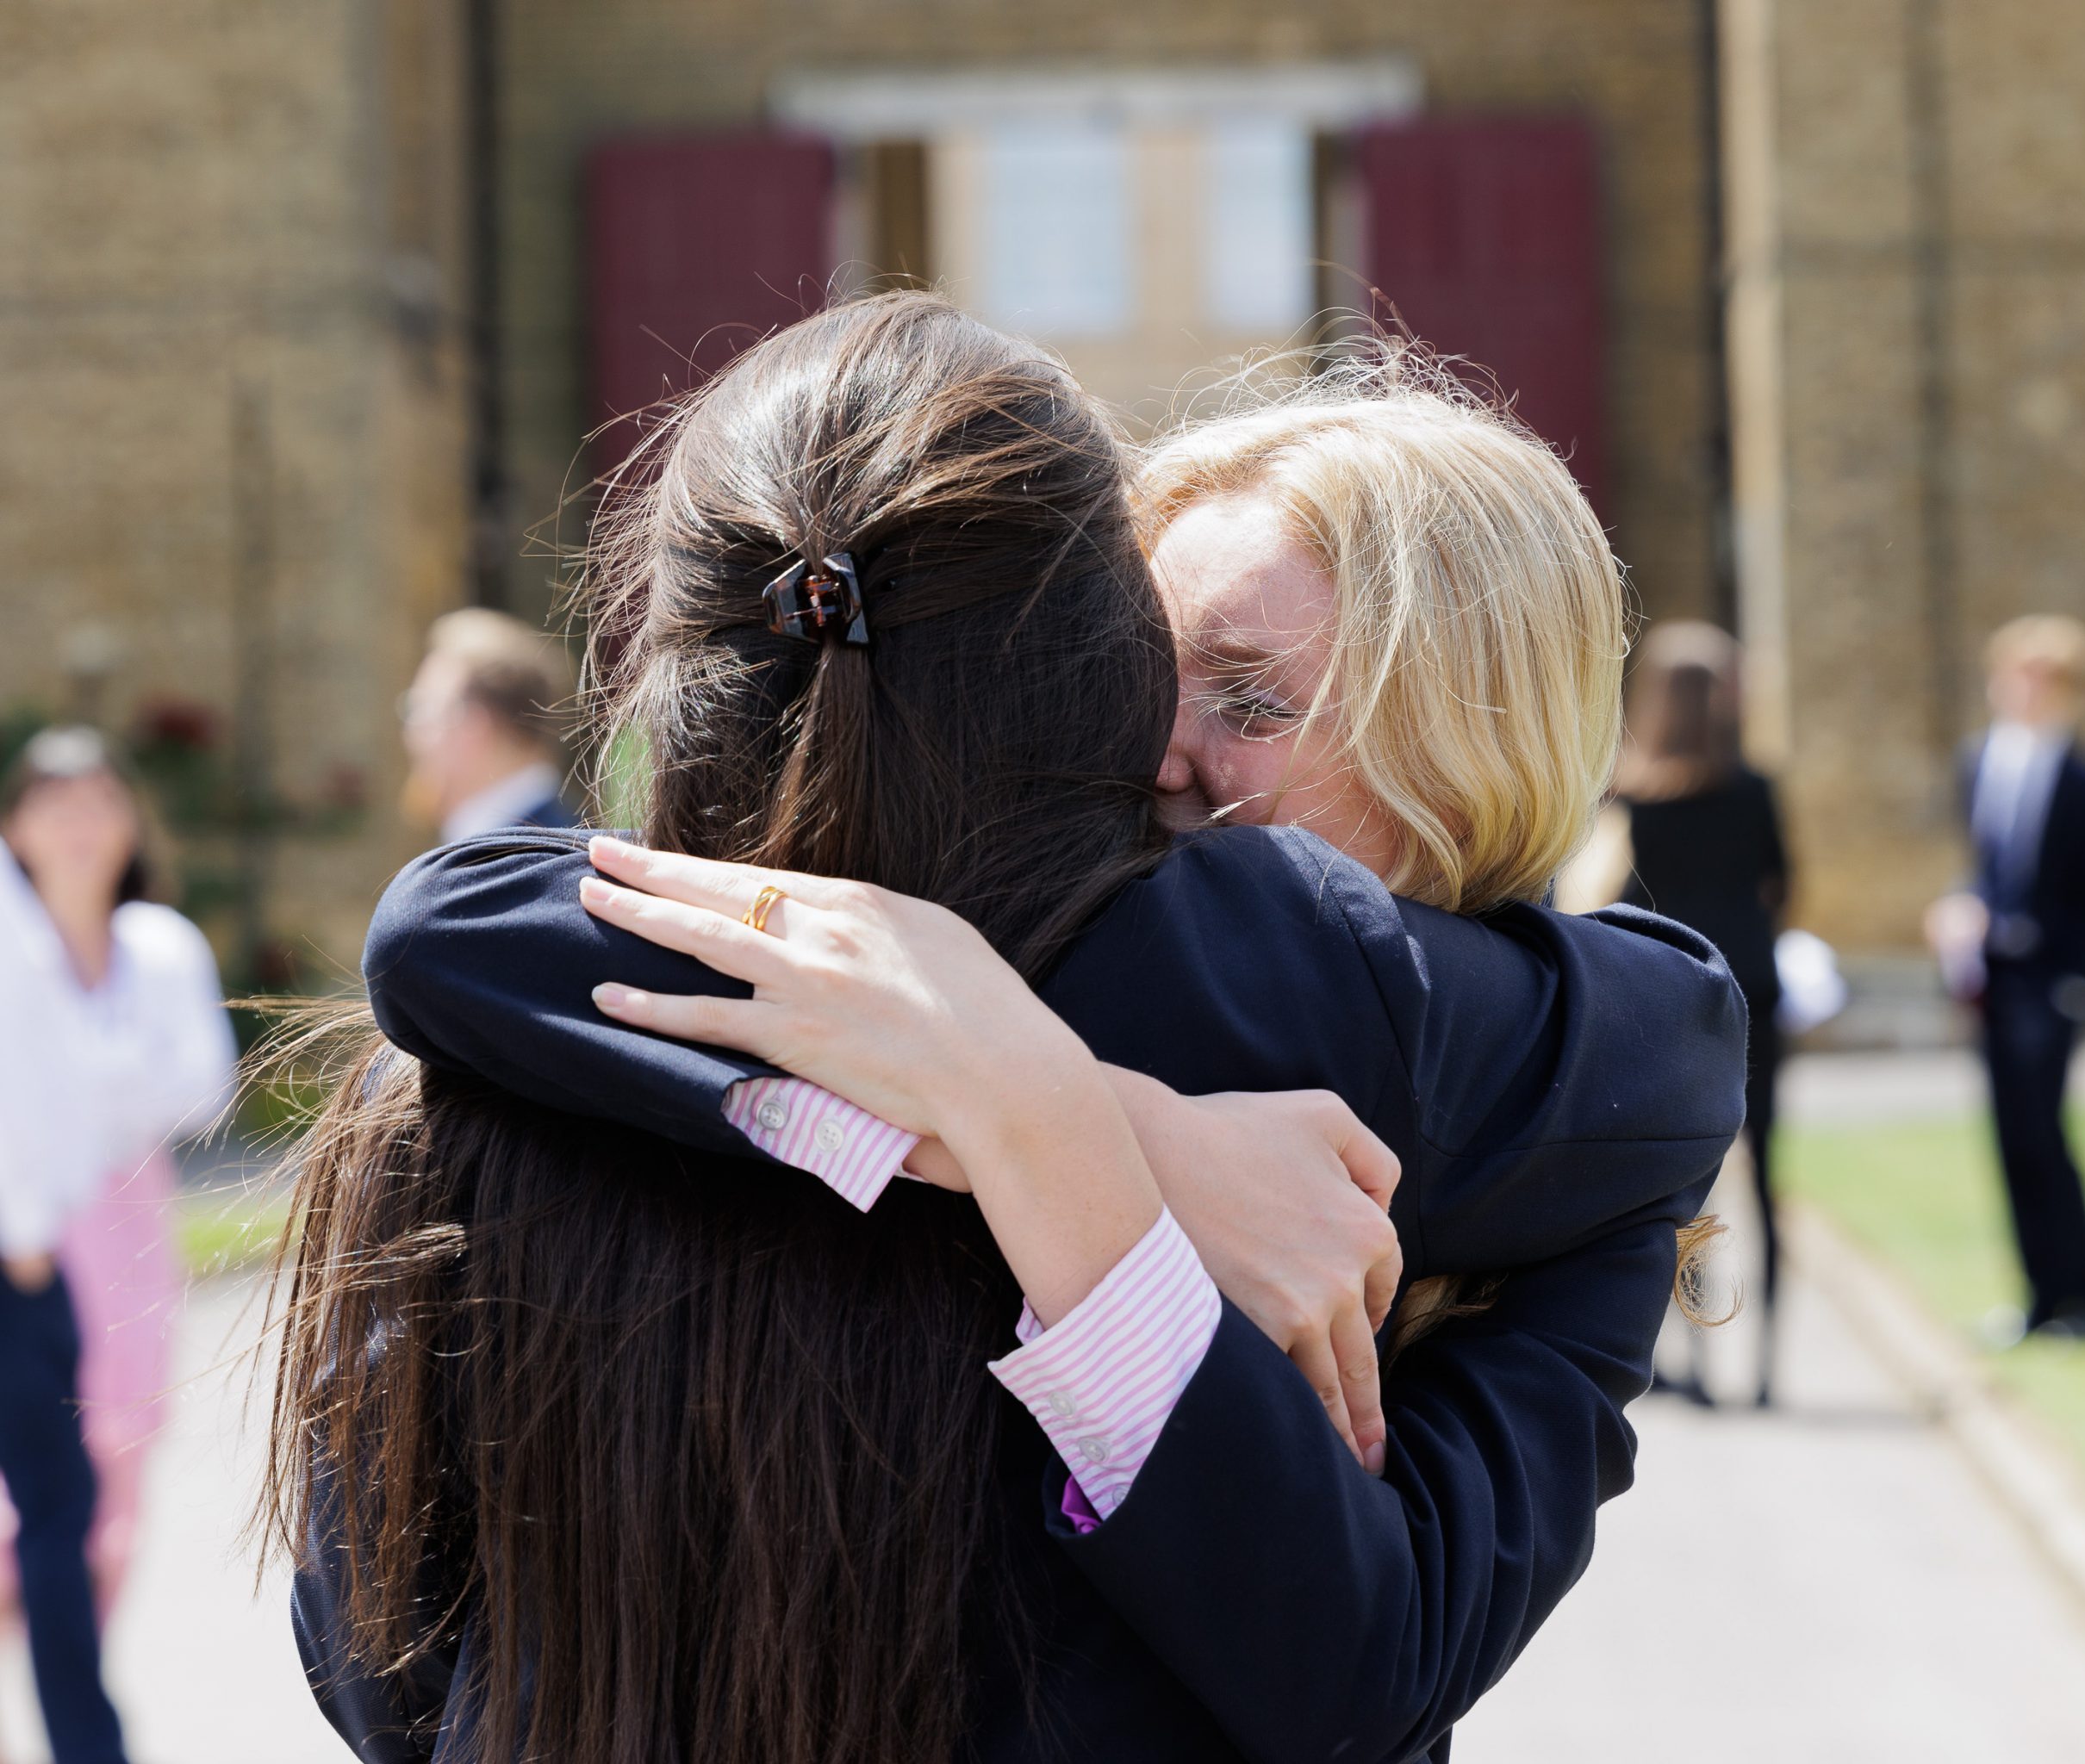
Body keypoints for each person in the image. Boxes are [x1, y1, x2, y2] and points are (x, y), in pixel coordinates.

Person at [274, 295, 1744, 1764]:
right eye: (1145, 665)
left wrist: (1042, 1109)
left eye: (1249, 699)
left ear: (1474, 752)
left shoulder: (1361, 994)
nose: (1156, 747)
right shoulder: (1019, 950)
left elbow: (385, 1670)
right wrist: (1077, 1124)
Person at [1, 730, 233, 1764]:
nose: (81, 824)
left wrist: (78, 1087)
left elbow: (201, 1087)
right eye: (56, 803)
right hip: (28, 1241)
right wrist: (110, 1082)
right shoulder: (10, 941)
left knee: (110, 1480)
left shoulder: (160, 944)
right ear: (16, 826)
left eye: (100, 799)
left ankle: (75, 1691)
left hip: (128, 1232)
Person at [1609, 622, 1790, 1405]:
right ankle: (1768, 1368)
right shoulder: (1753, 790)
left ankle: (1694, 1361)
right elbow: (1781, 885)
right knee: (1768, 1178)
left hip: (1671, 998)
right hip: (1751, 993)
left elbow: (1618, 901)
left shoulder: (1633, 798)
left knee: (1685, 1188)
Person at [1927, 613, 2085, 1342]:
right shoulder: (1980, 762)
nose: (2025, 691)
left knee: (2046, 1136)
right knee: (2009, 1139)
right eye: (2017, 676)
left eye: (2043, 680)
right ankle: (2039, 1300)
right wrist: (1960, 909)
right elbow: (1983, 870)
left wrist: (2078, 983)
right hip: (1993, 981)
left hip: (2051, 983)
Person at [398, 606, 578, 838]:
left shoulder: (514, 851)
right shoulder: (557, 834)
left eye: (422, 710)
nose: (411, 733)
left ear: (473, 725)